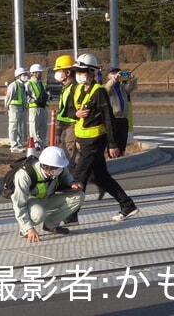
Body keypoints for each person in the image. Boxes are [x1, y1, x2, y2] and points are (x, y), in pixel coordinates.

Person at [69, 54, 139, 223]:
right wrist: (77, 116)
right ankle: (127, 205)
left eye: (82, 71)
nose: (78, 74)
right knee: (101, 177)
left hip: (95, 140)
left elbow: (108, 118)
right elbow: (70, 112)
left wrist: (112, 144)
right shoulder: (77, 89)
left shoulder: (99, 91)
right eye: (77, 70)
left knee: (79, 177)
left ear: (91, 72)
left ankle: (70, 215)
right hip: (83, 139)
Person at [11, 145, 84, 242]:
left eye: (61, 168)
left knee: (78, 196)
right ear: (46, 167)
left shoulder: (59, 168)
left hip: (48, 197)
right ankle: (24, 230)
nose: (61, 170)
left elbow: (66, 174)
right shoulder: (24, 175)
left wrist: (71, 182)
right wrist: (29, 228)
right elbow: (19, 204)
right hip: (32, 201)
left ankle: (51, 225)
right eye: (58, 168)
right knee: (39, 215)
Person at [51, 56, 79, 165]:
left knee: (71, 158)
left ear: (68, 72)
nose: (57, 73)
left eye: (59, 71)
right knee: (66, 156)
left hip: (72, 127)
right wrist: (58, 132)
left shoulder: (75, 88)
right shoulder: (65, 88)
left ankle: (75, 180)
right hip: (65, 128)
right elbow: (61, 112)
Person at [104, 65, 138, 156]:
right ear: (108, 76)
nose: (116, 75)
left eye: (118, 73)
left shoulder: (122, 87)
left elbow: (131, 87)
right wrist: (114, 79)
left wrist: (132, 79)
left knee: (122, 145)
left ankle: (121, 155)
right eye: (113, 73)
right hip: (113, 119)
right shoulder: (106, 87)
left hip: (123, 119)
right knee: (114, 147)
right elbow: (107, 88)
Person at [5, 66, 29, 153]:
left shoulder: (22, 85)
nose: (25, 76)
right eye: (24, 74)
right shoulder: (14, 85)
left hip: (21, 109)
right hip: (14, 108)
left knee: (19, 127)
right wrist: (6, 108)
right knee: (13, 127)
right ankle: (13, 146)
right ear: (18, 76)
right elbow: (8, 97)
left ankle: (19, 144)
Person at [25, 63, 49, 150]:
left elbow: (46, 93)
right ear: (34, 73)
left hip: (43, 107)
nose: (41, 74)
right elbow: (26, 96)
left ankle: (42, 143)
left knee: (43, 126)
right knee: (34, 126)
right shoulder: (29, 84)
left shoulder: (42, 83)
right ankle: (35, 143)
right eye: (39, 72)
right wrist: (34, 101)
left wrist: (47, 100)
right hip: (34, 108)